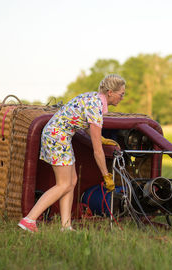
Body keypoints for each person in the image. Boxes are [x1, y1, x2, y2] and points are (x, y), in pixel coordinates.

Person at [18, 74, 126, 232]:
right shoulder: (96, 106)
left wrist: (100, 138)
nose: (122, 97)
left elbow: (85, 124)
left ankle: (66, 225)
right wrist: (106, 175)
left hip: (60, 136)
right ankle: (29, 220)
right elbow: (97, 151)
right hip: (57, 137)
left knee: (72, 181)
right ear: (110, 92)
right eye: (121, 94)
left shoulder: (93, 98)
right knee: (63, 184)